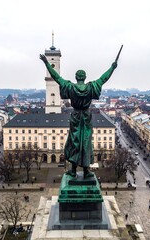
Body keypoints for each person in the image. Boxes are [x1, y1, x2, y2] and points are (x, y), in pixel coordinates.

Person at [40, 47, 120, 178]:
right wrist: (112, 67)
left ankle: (73, 169)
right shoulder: (91, 87)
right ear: (85, 77)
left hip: (76, 116)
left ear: (76, 77)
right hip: (87, 117)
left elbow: (56, 77)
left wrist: (46, 63)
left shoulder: (70, 87)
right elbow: (104, 78)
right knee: (86, 142)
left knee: (74, 141)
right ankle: (87, 170)